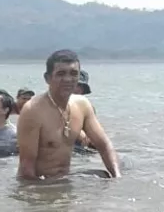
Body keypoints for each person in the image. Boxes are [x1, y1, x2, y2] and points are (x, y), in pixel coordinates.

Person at [16, 49, 120, 179]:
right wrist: (40, 195)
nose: (68, 79)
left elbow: (104, 146)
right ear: (48, 78)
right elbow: (27, 168)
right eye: (61, 74)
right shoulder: (33, 110)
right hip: (40, 182)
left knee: (103, 175)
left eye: (73, 73)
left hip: (65, 180)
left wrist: (118, 179)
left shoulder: (82, 105)